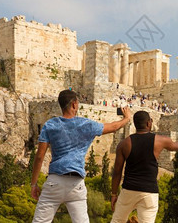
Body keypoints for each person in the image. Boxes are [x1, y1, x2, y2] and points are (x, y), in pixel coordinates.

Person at [30, 89, 131, 223]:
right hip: (76, 184)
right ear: (74, 104)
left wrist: (34, 184)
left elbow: (39, 157)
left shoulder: (50, 125)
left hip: (54, 182)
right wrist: (127, 118)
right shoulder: (86, 125)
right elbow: (113, 127)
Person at [110, 111, 178, 223]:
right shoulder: (160, 140)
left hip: (129, 190)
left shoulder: (124, 144)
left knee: (117, 221)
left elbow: (117, 172)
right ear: (149, 123)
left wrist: (114, 194)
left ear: (135, 124)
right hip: (149, 192)